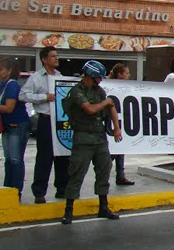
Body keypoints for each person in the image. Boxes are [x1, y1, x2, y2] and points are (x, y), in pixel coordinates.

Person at [61, 61, 123, 224]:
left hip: (99, 137)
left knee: (104, 170)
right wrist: (106, 102)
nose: (101, 80)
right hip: (83, 137)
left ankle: (103, 207)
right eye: (98, 77)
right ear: (90, 75)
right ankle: (69, 210)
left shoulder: (99, 91)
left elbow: (111, 108)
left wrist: (117, 127)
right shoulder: (77, 91)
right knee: (77, 173)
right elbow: (90, 109)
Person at [19, 46, 68, 204]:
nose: (56, 58)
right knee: (44, 157)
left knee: (63, 156)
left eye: (57, 56)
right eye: (53, 56)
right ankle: (39, 192)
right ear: (44, 59)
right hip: (46, 119)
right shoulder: (36, 78)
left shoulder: (60, 76)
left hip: (60, 120)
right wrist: (44, 97)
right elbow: (23, 95)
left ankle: (62, 188)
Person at [0, 58, 30, 200]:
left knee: (15, 159)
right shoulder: (2, 84)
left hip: (17, 126)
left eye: (1, 69)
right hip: (8, 126)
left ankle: (16, 191)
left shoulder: (12, 85)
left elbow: (9, 108)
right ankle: (8, 190)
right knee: (8, 159)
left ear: (9, 71)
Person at [107, 64, 135, 186]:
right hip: (111, 121)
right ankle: (104, 174)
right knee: (113, 150)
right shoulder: (109, 87)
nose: (129, 76)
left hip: (122, 120)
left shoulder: (126, 87)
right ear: (119, 75)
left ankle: (120, 175)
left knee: (121, 148)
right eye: (126, 73)